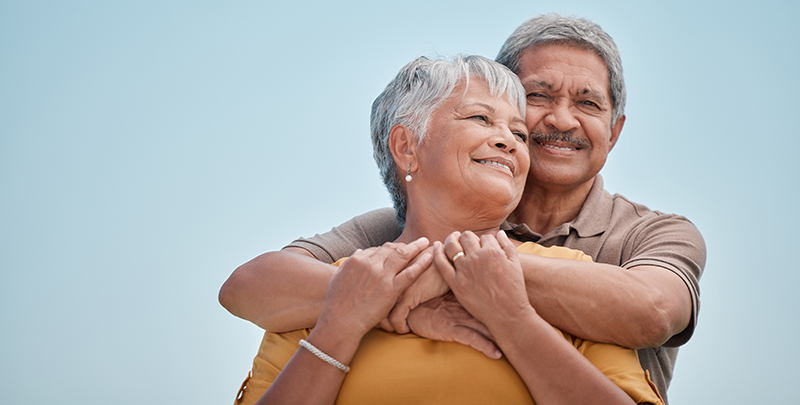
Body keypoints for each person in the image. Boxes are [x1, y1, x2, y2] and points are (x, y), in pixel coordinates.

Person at [220, 14, 705, 404]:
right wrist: (395, 301)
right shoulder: (378, 243)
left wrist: (476, 285)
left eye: (587, 103)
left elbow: (652, 310)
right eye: (536, 97)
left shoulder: (647, 237)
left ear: (615, 131)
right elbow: (249, 286)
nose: (560, 119)